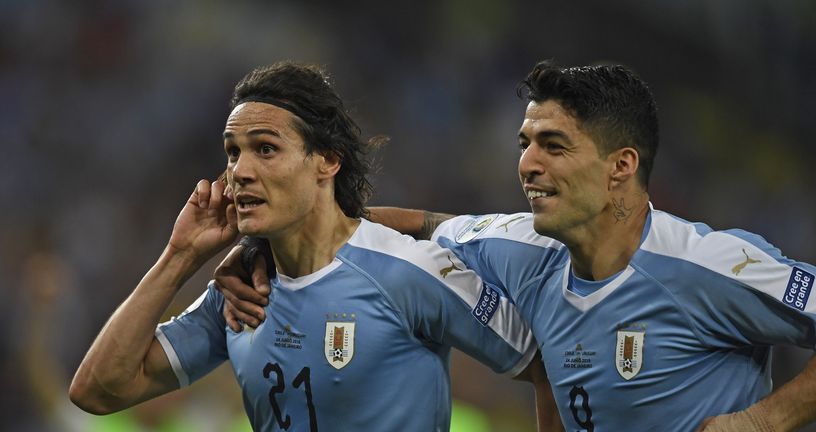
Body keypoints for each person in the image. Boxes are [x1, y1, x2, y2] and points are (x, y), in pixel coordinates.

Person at [219, 61, 816, 431]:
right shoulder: (520, 249)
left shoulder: (705, 266)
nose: (526, 164)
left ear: (620, 167)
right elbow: (414, 225)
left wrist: (765, 420)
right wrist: (266, 243)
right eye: (524, 142)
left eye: (553, 146)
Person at [68, 62, 554, 431]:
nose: (239, 171)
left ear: (327, 160)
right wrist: (181, 256)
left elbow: (545, 367)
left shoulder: (407, 270)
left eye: (265, 148)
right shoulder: (241, 294)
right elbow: (98, 390)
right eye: (232, 152)